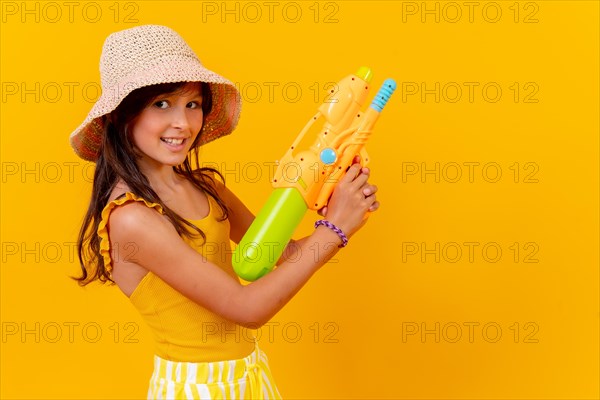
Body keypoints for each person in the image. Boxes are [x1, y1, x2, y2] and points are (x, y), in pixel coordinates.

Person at [70, 25, 380, 399]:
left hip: (250, 375)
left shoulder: (206, 188)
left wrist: (341, 205)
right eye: (161, 103)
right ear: (121, 115)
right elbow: (247, 308)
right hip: (194, 389)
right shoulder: (131, 218)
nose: (183, 123)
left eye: (193, 104)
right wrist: (333, 231)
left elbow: (286, 256)